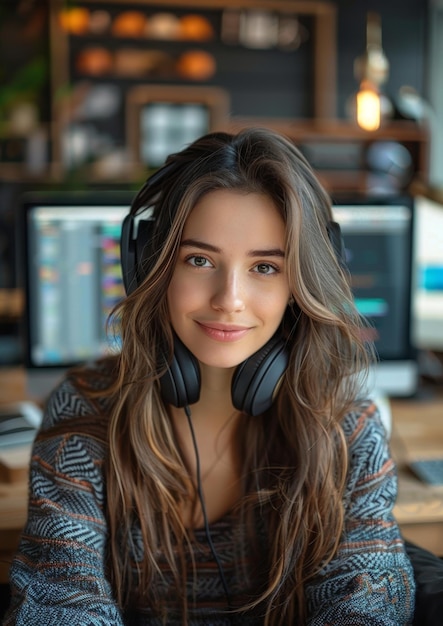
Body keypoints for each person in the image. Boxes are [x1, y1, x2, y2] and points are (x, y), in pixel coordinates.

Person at [3, 128, 415, 625]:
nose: (229, 299)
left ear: (301, 284)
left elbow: (365, 607)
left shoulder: (348, 428)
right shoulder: (86, 414)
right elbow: (59, 606)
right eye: (199, 260)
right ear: (148, 266)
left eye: (265, 267)